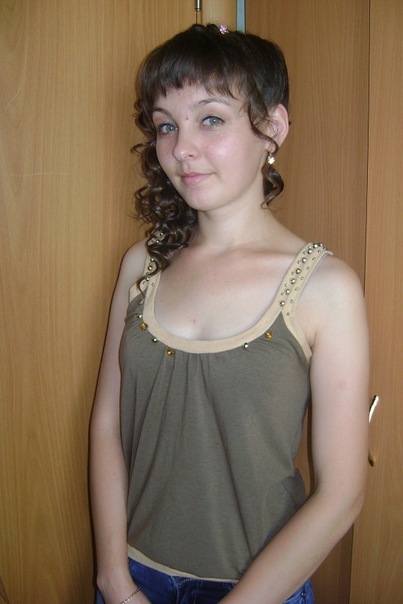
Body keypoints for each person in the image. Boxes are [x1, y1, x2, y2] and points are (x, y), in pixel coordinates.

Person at [90, 24, 369, 604]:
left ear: (272, 127)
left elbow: (342, 495)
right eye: (166, 125)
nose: (180, 148)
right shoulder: (143, 264)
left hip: (260, 587)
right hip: (133, 577)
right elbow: (108, 425)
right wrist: (114, 581)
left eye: (211, 119)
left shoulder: (325, 288)